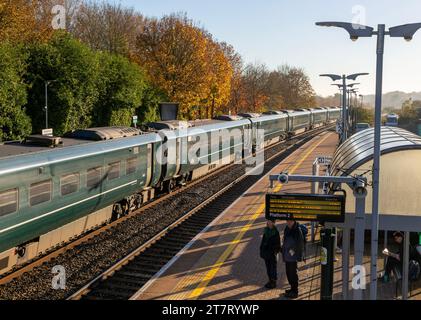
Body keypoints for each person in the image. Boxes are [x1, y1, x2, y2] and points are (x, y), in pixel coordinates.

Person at [281, 220, 305, 299]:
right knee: (288, 273)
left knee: (293, 274)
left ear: (294, 221)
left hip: (292, 257)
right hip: (287, 256)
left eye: (290, 221)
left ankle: (295, 291)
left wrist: (291, 252)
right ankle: (292, 288)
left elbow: (300, 244)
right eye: (287, 221)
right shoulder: (287, 228)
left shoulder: (297, 230)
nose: (288, 223)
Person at [259, 219, 281, 289]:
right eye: (268, 221)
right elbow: (263, 241)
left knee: (273, 268)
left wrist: (274, 251)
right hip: (266, 253)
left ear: (273, 223)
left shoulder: (276, 232)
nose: (268, 222)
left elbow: (278, 244)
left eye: (270, 221)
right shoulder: (266, 230)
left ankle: (273, 282)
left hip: (272, 254)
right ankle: (270, 280)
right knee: (268, 268)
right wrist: (262, 248)